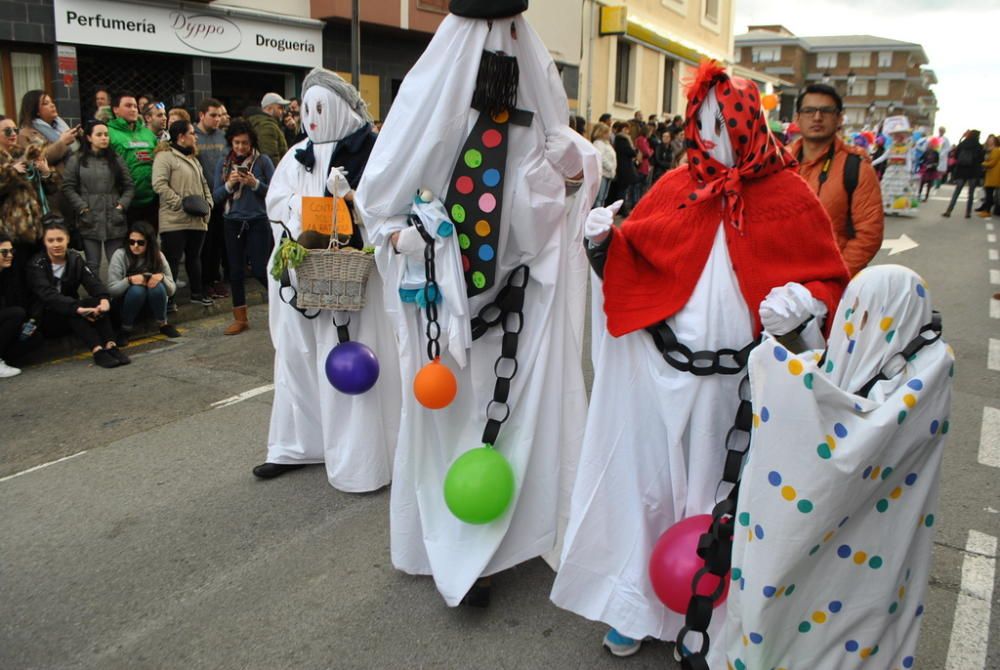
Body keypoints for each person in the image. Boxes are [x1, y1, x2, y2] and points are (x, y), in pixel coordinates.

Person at [549, 61, 849, 659]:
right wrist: (604, 239)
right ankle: (634, 599)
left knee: (724, 487)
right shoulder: (675, 185)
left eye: (724, 122)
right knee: (647, 481)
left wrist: (807, 304)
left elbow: (829, 279)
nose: (712, 137)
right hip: (656, 371)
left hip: (738, 383)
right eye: (702, 124)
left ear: (748, 122)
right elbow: (634, 256)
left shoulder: (788, 195)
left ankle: (716, 615)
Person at [357, 0, 600, 609]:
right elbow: (378, 200)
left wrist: (571, 176)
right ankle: (453, 543)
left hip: (517, 301)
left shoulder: (537, 108)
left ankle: (511, 536)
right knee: (447, 425)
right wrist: (404, 237)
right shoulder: (427, 107)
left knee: (513, 419)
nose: (501, 45)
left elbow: (556, 198)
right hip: (442, 311)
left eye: (512, 31)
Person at [712, 265, 952, 670]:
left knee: (808, 617)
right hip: (885, 551)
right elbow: (845, 392)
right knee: (867, 622)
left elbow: (843, 446)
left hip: (844, 549)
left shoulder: (913, 380)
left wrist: (773, 361)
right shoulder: (929, 365)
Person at [257, 67, 401, 487]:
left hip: (354, 276)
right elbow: (276, 202)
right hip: (308, 275)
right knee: (299, 359)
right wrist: (300, 212)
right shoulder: (296, 153)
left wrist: (352, 201)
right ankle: (298, 444)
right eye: (307, 109)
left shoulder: (372, 150)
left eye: (322, 108)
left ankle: (363, 460)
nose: (313, 118)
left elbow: (386, 208)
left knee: (355, 355)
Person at [790, 84, 884, 276]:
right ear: (797, 118)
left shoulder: (856, 167)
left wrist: (833, 278)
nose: (817, 117)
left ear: (839, 118)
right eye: (809, 111)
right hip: (778, 278)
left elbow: (869, 235)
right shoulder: (778, 163)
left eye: (826, 111)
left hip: (828, 283)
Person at [26, 220, 129, 368]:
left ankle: (111, 345)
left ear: (67, 239)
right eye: (51, 240)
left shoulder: (75, 259)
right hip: (47, 317)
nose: (56, 244)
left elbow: (93, 283)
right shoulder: (36, 264)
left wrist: (104, 299)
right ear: (44, 242)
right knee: (72, 310)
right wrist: (77, 308)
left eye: (60, 239)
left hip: (73, 310)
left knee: (95, 303)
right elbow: (48, 296)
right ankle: (97, 350)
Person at [212, 119, 274, 335]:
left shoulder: (262, 161)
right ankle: (240, 318)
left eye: (245, 143)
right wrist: (230, 184)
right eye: (237, 143)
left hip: (258, 221)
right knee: (235, 272)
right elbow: (215, 196)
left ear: (252, 143)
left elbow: (275, 192)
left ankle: (284, 305)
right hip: (232, 222)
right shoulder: (223, 163)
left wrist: (254, 184)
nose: (240, 147)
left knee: (260, 269)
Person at [61, 120, 135, 276]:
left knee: (117, 263)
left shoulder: (116, 159)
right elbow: (68, 187)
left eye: (106, 135)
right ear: (89, 137)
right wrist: (82, 208)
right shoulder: (77, 159)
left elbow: (129, 186)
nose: (104, 138)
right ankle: (96, 297)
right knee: (92, 265)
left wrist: (121, 206)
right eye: (99, 134)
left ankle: (119, 296)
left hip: (114, 216)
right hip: (89, 218)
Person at [152, 120, 214, 305]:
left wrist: (208, 205)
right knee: (172, 259)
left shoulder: (193, 159)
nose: (195, 137)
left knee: (195, 258)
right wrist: (179, 204)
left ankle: (197, 293)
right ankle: (168, 299)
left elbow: (203, 184)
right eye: (192, 133)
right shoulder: (165, 157)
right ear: (181, 136)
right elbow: (159, 184)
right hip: (174, 220)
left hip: (197, 218)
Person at [0, 114, 58, 285]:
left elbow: (51, 188)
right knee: (16, 279)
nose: (13, 134)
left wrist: (46, 172)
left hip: (36, 227)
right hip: (11, 231)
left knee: (38, 276)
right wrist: (11, 172)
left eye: (15, 130)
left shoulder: (24, 153)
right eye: (7, 131)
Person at [107, 221, 179, 345]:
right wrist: (129, 281)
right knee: (137, 290)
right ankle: (125, 329)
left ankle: (163, 324)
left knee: (157, 287)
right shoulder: (120, 255)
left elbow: (172, 289)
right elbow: (111, 289)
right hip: (125, 305)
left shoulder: (158, 256)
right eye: (131, 241)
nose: (135, 245)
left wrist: (161, 277)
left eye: (140, 243)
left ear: (149, 243)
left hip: (153, 304)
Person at [193, 97, 230, 300]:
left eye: (219, 115)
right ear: (201, 115)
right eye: (213, 115)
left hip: (222, 195)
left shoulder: (223, 137)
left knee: (218, 242)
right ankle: (204, 282)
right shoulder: (193, 135)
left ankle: (216, 279)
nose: (217, 119)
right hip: (202, 198)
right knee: (204, 245)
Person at [107, 93, 159, 228]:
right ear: (115, 110)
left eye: (135, 106)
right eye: (128, 106)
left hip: (151, 201)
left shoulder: (147, 133)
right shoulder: (108, 133)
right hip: (125, 202)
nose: (134, 109)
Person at [872, 116, 917, 216]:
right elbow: (884, 157)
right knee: (888, 188)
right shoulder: (891, 146)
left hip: (902, 170)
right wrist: (872, 163)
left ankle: (897, 208)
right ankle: (887, 207)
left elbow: (909, 158)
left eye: (899, 136)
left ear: (903, 136)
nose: (897, 138)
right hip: (891, 169)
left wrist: (909, 170)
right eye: (896, 136)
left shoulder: (907, 147)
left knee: (899, 190)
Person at [0, 232, 27, 377]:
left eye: (11, 251)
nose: (9, 255)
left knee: (33, 337)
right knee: (16, 313)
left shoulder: (7, 273)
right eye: (4, 252)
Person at [942, 129, 985, 219]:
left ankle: (949, 210)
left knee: (957, 191)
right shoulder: (979, 146)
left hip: (961, 170)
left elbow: (956, 155)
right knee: (971, 193)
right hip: (973, 171)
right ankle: (968, 213)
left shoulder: (963, 144)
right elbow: (981, 159)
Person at [246, 93, 289, 166]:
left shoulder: (267, 124)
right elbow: (271, 155)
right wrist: (278, 174)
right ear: (269, 109)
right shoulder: (267, 126)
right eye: (280, 108)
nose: (283, 111)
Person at [610, 121, 640, 216]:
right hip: (624, 168)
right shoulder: (622, 139)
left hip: (624, 167)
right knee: (622, 191)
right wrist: (635, 150)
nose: (628, 132)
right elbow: (631, 152)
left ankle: (621, 209)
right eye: (627, 129)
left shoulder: (619, 139)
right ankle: (622, 210)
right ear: (623, 129)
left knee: (623, 190)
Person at [591, 122, 617, 207]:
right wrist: (610, 167)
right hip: (602, 173)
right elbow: (600, 157)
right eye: (606, 132)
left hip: (608, 173)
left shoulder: (606, 143)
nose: (608, 134)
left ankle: (601, 213)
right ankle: (598, 215)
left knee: (603, 197)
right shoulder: (598, 143)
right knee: (599, 197)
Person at [977, 134, 1000, 218]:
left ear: (995, 141)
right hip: (990, 173)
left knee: (989, 193)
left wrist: (983, 163)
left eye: (991, 139)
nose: (989, 141)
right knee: (988, 193)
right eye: (989, 139)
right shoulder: (990, 150)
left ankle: (987, 211)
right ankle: (986, 210)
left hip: (993, 174)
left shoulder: (996, 150)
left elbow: (992, 162)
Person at [917, 138, 941, 202]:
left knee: (929, 185)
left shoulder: (936, 153)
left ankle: (926, 197)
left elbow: (937, 162)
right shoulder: (926, 152)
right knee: (922, 183)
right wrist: (922, 164)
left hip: (932, 171)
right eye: (930, 144)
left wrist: (933, 165)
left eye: (932, 144)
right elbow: (921, 159)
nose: (931, 145)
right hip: (925, 169)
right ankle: (919, 195)